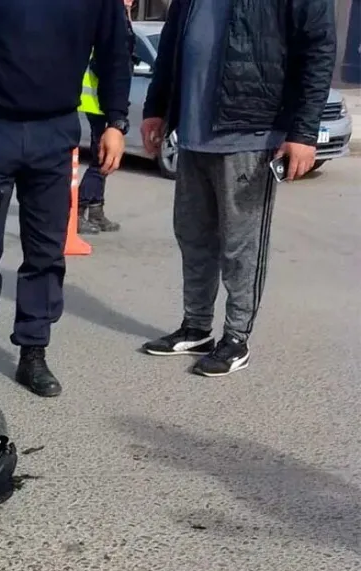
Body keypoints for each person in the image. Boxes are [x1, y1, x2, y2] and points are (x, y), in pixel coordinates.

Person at [0, 0, 132, 397]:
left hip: (53, 133)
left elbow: (114, 53)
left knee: (45, 252)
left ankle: (33, 352)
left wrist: (116, 122)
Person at [139, 0, 335, 377]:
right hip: (193, 133)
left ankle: (236, 337)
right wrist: (156, 107)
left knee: (240, 244)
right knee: (193, 235)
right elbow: (171, 46)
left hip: (250, 132)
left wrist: (303, 133)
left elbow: (318, 48)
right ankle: (196, 327)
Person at [77, 0, 137, 234]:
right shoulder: (105, 17)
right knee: (100, 157)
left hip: (107, 101)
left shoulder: (121, 16)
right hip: (97, 100)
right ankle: (79, 206)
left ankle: (96, 209)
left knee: (104, 158)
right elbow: (108, 58)